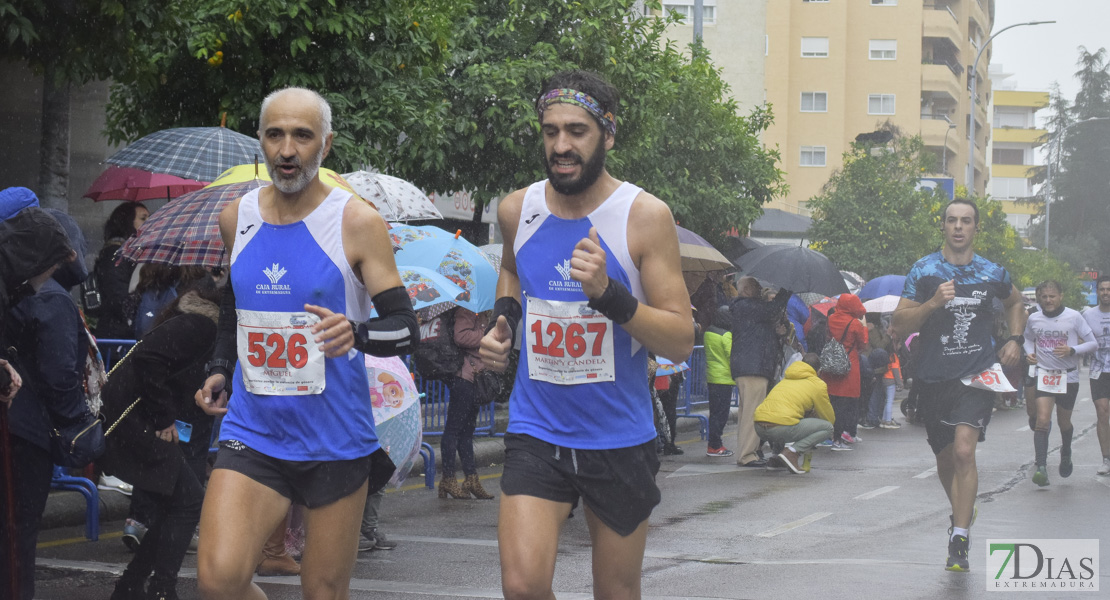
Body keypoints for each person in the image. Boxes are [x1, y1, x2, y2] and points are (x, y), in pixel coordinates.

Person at [192, 87, 418, 600]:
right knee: (218, 582)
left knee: (322, 593)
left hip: (334, 442)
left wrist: (355, 334)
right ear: (261, 141)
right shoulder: (237, 217)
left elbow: (407, 327)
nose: (287, 150)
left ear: (326, 144)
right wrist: (221, 365)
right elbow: (235, 306)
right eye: (275, 135)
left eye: (302, 135)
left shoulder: (356, 222)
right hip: (255, 432)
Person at [478, 69, 693, 600]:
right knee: (523, 587)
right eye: (550, 132)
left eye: (577, 131)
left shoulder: (643, 216)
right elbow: (511, 267)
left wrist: (609, 295)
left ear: (608, 135)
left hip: (617, 438)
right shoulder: (516, 210)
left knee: (616, 593)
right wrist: (503, 320)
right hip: (537, 430)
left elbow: (680, 339)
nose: (561, 145)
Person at [892, 198, 1026, 573]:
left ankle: (960, 537)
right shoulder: (925, 270)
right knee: (946, 457)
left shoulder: (992, 272)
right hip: (934, 377)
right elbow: (900, 324)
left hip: (977, 374)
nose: (958, 227)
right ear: (943, 227)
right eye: (952, 220)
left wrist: (1015, 339)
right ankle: (961, 511)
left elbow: (1016, 303)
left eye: (966, 221)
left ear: (976, 228)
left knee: (965, 451)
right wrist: (932, 303)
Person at [101, 278, 221, 600]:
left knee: (176, 505)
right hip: (137, 423)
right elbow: (149, 360)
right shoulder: (200, 325)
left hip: (148, 424)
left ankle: (132, 585)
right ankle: (161, 588)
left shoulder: (198, 327)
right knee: (188, 502)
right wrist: (164, 417)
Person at [0, 208, 83, 600]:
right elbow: (58, 375)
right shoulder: (48, 300)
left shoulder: (13, 289)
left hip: (17, 422)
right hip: (25, 430)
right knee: (18, 535)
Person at [1022, 280, 1096, 487]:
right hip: (1044, 375)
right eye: (1044, 297)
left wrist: (1072, 350)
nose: (1048, 300)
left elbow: (1093, 343)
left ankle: (1066, 451)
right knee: (1042, 421)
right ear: (1039, 298)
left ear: (1060, 296)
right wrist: (1030, 353)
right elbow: (1027, 339)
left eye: (1052, 296)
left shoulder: (1074, 317)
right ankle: (1042, 468)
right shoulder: (1034, 318)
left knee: (1064, 422)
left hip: (1068, 377)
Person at [729, 276, 792, 466]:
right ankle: (747, 455)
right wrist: (786, 290)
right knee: (751, 413)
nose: (759, 289)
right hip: (752, 366)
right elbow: (772, 310)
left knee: (748, 412)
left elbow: (762, 326)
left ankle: (750, 451)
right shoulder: (746, 306)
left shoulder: (747, 308)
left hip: (752, 365)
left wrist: (778, 333)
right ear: (747, 290)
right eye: (756, 286)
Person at [439, 308, 496, 499]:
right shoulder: (467, 310)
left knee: (467, 431)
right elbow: (461, 336)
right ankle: (448, 479)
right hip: (463, 377)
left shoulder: (482, 313)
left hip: (474, 378)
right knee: (454, 430)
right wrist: (486, 335)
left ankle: (471, 478)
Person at [754, 353, 835, 473]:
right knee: (828, 428)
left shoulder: (786, 378)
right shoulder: (817, 384)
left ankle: (777, 459)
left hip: (759, 427)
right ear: (818, 371)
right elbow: (828, 418)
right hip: (781, 427)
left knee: (788, 418)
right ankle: (792, 453)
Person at [92, 202, 148, 339]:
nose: (149, 223)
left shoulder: (131, 253)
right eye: (143, 218)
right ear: (127, 222)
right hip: (118, 336)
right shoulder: (116, 253)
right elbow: (117, 296)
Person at [820, 294, 868, 451]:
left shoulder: (831, 318)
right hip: (849, 366)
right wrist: (865, 326)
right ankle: (838, 439)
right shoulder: (855, 323)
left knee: (832, 402)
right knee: (845, 404)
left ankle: (829, 435)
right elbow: (863, 344)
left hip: (832, 364)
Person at [1082, 276, 1110, 475]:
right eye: (1102, 289)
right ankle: (1106, 459)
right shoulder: (1087, 314)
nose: (1106, 293)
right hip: (1098, 370)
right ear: (1097, 291)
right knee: (1102, 412)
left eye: (1109, 290)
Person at [703, 305, 735, 457]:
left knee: (714, 412)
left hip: (712, 376)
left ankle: (713, 443)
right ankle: (715, 445)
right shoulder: (726, 335)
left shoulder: (709, 332)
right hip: (724, 378)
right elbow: (731, 355)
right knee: (721, 414)